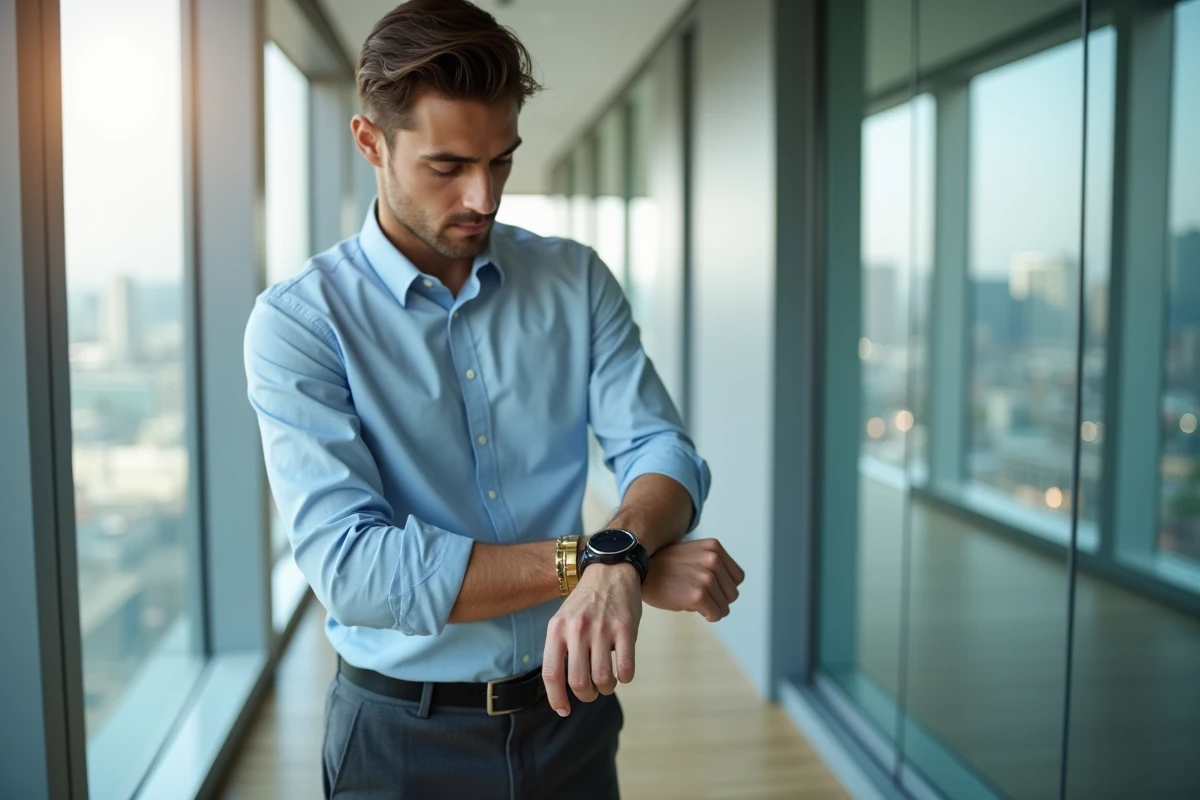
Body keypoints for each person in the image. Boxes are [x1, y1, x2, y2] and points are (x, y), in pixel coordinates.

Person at [243, 1, 744, 797]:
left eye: (502, 161)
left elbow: (660, 449)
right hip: (400, 741)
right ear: (371, 142)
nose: (484, 195)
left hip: (572, 714)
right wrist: (608, 559)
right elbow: (357, 570)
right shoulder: (300, 323)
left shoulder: (575, 280)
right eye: (447, 166)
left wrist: (618, 556)